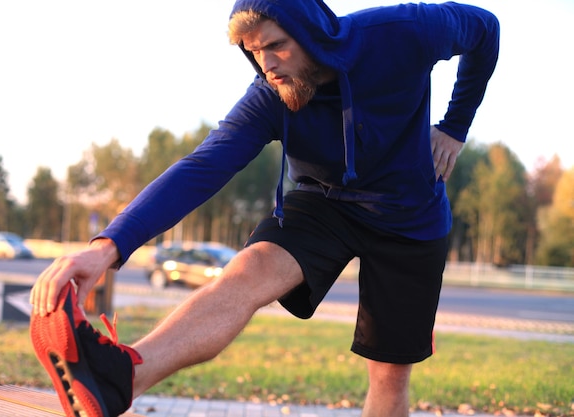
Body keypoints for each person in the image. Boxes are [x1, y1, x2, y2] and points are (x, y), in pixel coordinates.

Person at [29, 1, 499, 416]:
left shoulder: (404, 31)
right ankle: (118, 380)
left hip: (410, 216)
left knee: (389, 375)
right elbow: (201, 168)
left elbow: (486, 28)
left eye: (276, 45)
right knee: (246, 271)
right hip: (324, 202)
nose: (267, 64)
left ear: (311, 30)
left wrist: (456, 126)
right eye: (254, 52)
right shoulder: (271, 96)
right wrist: (107, 247)